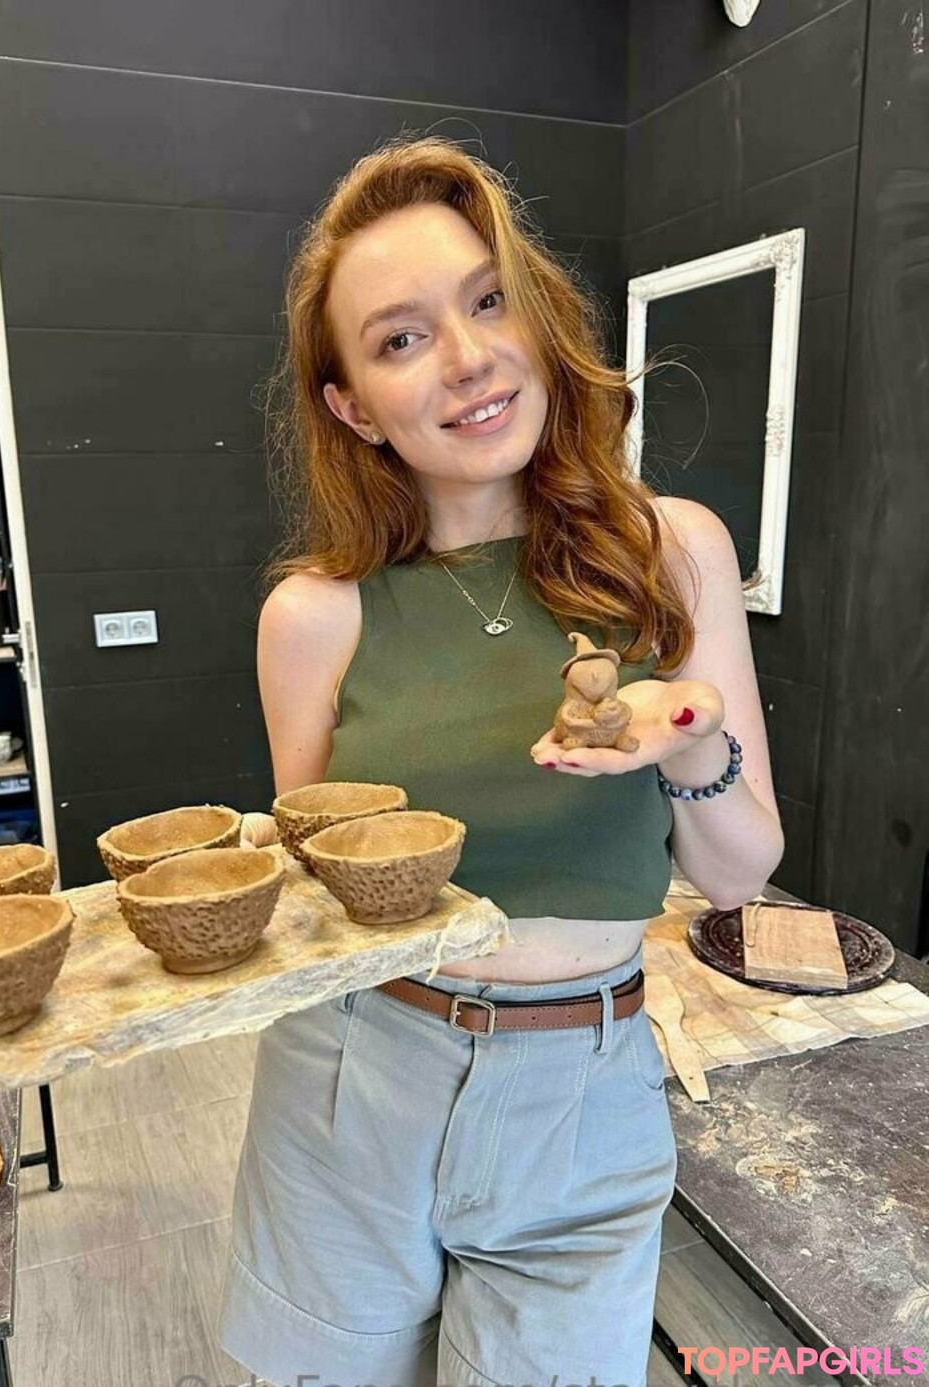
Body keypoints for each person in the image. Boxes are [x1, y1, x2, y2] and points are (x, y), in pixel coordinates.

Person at [216, 133, 784, 1387]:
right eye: (401, 338)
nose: (469, 359)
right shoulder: (313, 616)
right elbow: (324, 895)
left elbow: (740, 873)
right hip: (356, 1075)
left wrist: (689, 737)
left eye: (487, 302)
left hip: (585, 1088)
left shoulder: (672, 554)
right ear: (352, 405)